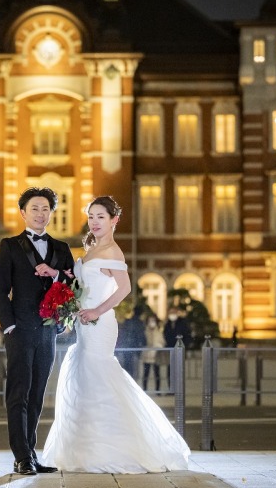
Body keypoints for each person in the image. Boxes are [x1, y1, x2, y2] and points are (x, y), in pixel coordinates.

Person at [42, 196, 190, 473]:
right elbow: (80, 282)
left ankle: (117, 448)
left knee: (99, 376)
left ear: (114, 220)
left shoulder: (113, 252)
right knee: (86, 380)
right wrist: (56, 275)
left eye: (100, 216)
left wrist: (97, 310)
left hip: (100, 324)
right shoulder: (93, 248)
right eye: (91, 217)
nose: (95, 222)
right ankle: (86, 449)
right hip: (85, 324)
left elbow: (124, 289)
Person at [0, 187, 75, 476]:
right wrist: (10, 325)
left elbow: (72, 287)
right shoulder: (10, 245)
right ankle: (21, 457)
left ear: (52, 213)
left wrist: (64, 319)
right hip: (20, 330)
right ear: (23, 212)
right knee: (18, 393)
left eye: (45, 209)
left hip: (47, 332)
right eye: (35, 208)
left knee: (38, 394)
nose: (41, 214)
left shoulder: (62, 248)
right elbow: (0, 290)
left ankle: (31, 452)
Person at [162, 307, 191, 387]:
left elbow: (187, 336)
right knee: (170, 370)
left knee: (179, 370)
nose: (172, 315)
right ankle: (171, 388)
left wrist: (184, 346)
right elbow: (165, 335)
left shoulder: (182, 323)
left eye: (174, 312)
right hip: (170, 350)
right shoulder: (167, 324)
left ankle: (179, 388)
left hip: (180, 349)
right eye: (170, 313)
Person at [116, 306, 146, 379]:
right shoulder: (140, 323)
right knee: (134, 368)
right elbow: (141, 335)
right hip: (135, 348)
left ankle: (127, 380)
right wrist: (144, 343)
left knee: (126, 366)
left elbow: (122, 333)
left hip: (126, 346)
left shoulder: (127, 321)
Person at [141, 314, 164, 392]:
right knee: (146, 373)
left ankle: (158, 390)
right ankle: (144, 390)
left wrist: (157, 346)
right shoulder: (144, 331)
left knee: (157, 374)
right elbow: (143, 342)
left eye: (153, 321)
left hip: (156, 355)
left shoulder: (159, 332)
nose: (152, 322)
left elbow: (162, 342)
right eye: (150, 321)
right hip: (146, 356)